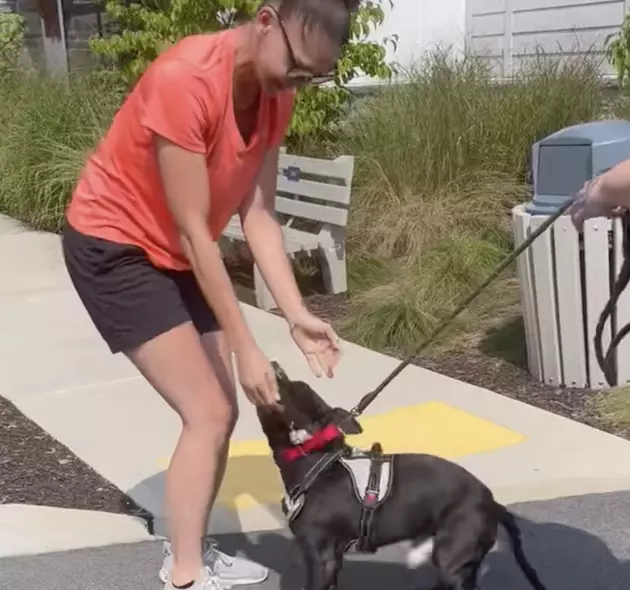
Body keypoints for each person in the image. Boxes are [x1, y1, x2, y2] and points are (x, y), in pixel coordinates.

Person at [61, 0, 359, 588]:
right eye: (297, 67)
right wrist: (248, 345)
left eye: (312, 77)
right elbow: (198, 231)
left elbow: (260, 214)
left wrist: (296, 314)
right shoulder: (186, 79)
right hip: (115, 245)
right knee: (210, 410)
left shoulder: (278, 95)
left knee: (219, 411)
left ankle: (188, 553)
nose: (297, 83)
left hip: (174, 250)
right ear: (266, 19)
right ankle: (187, 577)